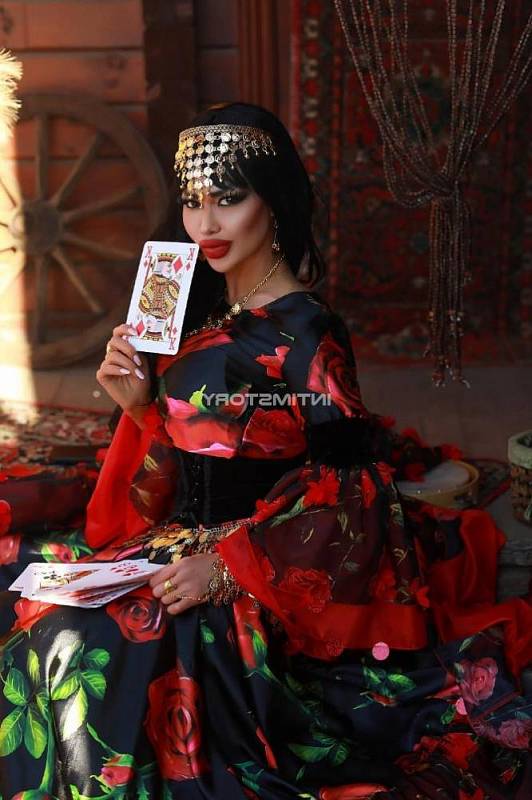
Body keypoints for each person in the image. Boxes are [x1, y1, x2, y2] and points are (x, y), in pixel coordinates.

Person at [0, 101, 531, 800]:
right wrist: (140, 407)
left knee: (99, 658)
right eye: (194, 202)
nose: (206, 225)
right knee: (39, 621)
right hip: (173, 545)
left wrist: (226, 567)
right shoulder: (193, 307)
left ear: (273, 201)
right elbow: (176, 471)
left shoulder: (308, 334)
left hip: (258, 574)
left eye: (229, 200)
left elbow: (356, 495)